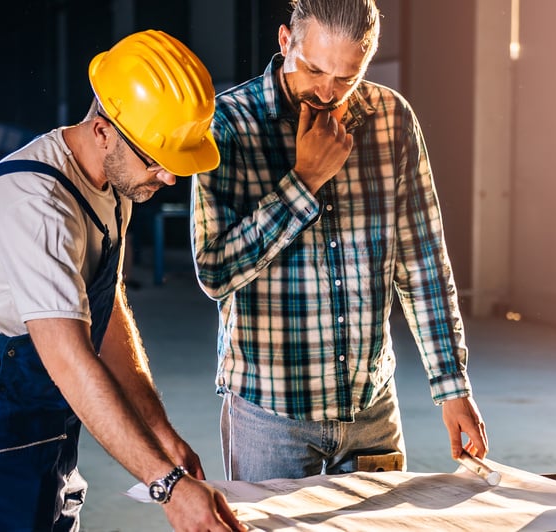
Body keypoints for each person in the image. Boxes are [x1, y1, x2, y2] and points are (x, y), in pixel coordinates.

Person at [0, 30, 244, 531]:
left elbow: (106, 313)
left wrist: (159, 434)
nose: (168, 177)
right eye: (155, 159)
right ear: (102, 130)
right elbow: (70, 359)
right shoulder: (34, 206)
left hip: (44, 431)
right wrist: (166, 485)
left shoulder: (117, 181)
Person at [192, 0, 489, 482]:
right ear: (286, 42)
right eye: (314, 69)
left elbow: (423, 265)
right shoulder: (228, 124)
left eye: (346, 78)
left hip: (371, 411)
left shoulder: (391, 119)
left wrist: (452, 386)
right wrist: (304, 181)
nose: (327, 92)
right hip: (271, 414)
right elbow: (215, 271)